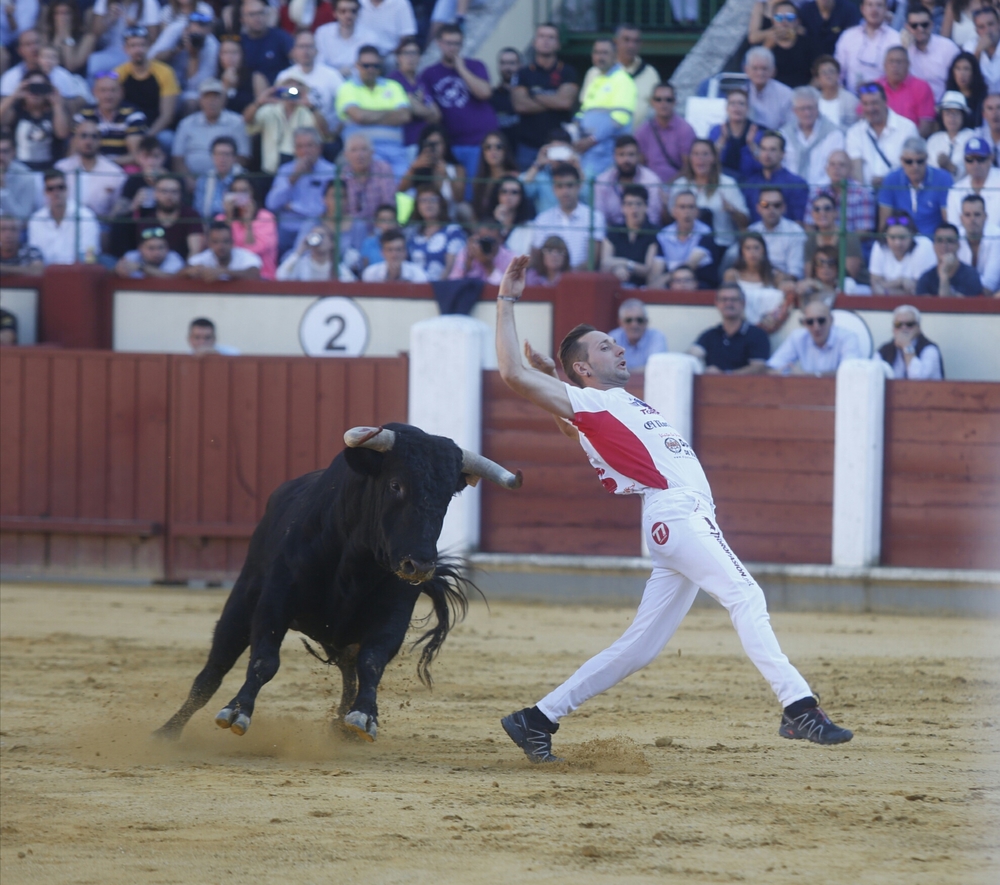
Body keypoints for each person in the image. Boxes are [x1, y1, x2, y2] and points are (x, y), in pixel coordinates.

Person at [494, 254, 853, 764]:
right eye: (605, 346)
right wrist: (508, 298)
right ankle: (798, 707)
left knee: (640, 647)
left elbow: (571, 424)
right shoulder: (597, 403)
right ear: (583, 369)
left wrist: (554, 377)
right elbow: (510, 371)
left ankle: (537, 718)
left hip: (673, 519)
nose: (619, 346)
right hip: (678, 515)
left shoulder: (609, 408)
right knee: (746, 596)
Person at [418, 25, 498, 190]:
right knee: (454, 192)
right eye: (448, 43)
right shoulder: (429, 74)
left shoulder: (475, 66)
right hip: (450, 145)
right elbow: (433, 113)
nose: (452, 48)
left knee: (477, 192)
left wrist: (461, 69)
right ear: (439, 43)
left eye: (457, 43)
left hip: (479, 142)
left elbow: (484, 93)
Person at [512, 24, 581, 172]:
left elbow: (565, 102)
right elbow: (520, 106)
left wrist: (534, 94)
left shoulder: (568, 72)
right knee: (527, 190)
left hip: (560, 146)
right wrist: (553, 99)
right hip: (528, 146)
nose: (546, 41)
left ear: (558, 44)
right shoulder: (523, 73)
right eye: (542, 36)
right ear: (534, 42)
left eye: (551, 37)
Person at [336, 45, 411, 180]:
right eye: (366, 65)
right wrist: (390, 114)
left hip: (396, 152)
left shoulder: (393, 86)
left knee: (406, 191)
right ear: (357, 66)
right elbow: (359, 116)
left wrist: (368, 116)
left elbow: (404, 116)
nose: (371, 69)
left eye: (375, 66)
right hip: (362, 154)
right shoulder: (347, 88)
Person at [572, 38, 637, 181]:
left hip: (606, 153)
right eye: (596, 52)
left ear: (615, 55)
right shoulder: (595, 78)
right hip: (588, 151)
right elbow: (583, 110)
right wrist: (575, 126)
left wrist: (592, 139)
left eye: (604, 53)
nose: (599, 57)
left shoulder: (623, 80)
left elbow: (620, 118)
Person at [264, 126, 337, 253]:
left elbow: (325, 208)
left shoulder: (331, 172)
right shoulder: (286, 170)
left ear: (319, 148)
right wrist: (293, 178)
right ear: (295, 150)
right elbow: (272, 204)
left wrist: (293, 207)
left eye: (309, 146)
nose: (305, 151)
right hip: (287, 228)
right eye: (300, 146)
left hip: (317, 227)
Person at [670, 139, 750, 248]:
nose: (700, 158)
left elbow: (745, 222)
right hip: (686, 246)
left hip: (720, 244)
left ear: (714, 158)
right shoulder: (680, 184)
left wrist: (732, 211)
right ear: (690, 158)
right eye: (696, 154)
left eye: (705, 154)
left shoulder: (728, 183)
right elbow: (670, 218)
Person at [246, 75, 328, 175]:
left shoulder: (308, 112)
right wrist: (259, 102)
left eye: (294, 89)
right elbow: (247, 120)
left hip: (300, 169)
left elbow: (324, 131)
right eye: (287, 88)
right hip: (271, 170)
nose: (290, 92)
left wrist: (310, 106)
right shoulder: (268, 111)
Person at [114, 26, 179, 152]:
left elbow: (167, 115)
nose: (138, 50)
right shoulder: (118, 74)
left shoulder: (165, 72)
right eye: (133, 46)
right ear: (125, 49)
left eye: (142, 45)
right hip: (128, 129)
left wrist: (147, 136)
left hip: (155, 128)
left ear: (149, 46)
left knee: (167, 139)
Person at [531, 163, 606, 270]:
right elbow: (537, 258)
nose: (565, 192)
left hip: (581, 281)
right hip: (550, 282)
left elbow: (592, 260)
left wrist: (568, 278)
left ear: (579, 186)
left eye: (570, 185)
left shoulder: (594, 217)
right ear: (553, 189)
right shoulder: (542, 219)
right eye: (560, 186)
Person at [173, 79, 250, 183]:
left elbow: (243, 157)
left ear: (224, 99)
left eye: (216, 97)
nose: (211, 101)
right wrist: (189, 180)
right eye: (207, 97)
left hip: (226, 180)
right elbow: (178, 158)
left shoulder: (237, 122)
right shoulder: (186, 124)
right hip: (192, 181)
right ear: (200, 100)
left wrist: (224, 179)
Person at [845, 82, 919, 187]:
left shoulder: (907, 128)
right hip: (867, 196)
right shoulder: (854, 132)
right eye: (865, 104)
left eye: (874, 103)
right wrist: (865, 193)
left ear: (885, 101)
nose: (870, 109)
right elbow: (856, 168)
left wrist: (888, 181)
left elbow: (913, 166)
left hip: (899, 192)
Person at [877, 135, 953, 237]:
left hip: (933, 244)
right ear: (901, 161)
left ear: (927, 159)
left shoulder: (943, 179)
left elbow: (948, 223)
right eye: (909, 161)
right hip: (901, 243)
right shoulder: (891, 180)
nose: (915, 166)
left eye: (920, 161)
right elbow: (885, 224)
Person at [687, 283, 771, 374]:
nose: (728, 303)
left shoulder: (757, 335)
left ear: (743, 303)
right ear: (717, 303)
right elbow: (691, 356)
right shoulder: (710, 335)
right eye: (724, 299)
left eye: (733, 299)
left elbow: (758, 368)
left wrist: (725, 375)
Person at [55, 118, 127, 222]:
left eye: (94, 137)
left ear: (100, 141)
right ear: (75, 140)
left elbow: (118, 210)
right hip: (67, 223)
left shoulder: (115, 173)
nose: (88, 142)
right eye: (83, 136)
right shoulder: (61, 168)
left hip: (102, 226)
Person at [768, 296, 863, 375]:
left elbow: (851, 372)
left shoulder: (848, 337)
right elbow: (773, 367)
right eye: (810, 322)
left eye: (821, 320)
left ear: (831, 320)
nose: (816, 327)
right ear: (805, 324)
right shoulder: (797, 337)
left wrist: (808, 376)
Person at [150, 9, 219, 112]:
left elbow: (198, 86)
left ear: (208, 32)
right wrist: (176, 49)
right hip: (166, 83)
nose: (196, 37)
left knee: (191, 102)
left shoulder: (212, 46)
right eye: (193, 33)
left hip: (188, 91)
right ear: (186, 29)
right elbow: (151, 59)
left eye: (200, 35)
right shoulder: (175, 29)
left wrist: (194, 56)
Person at [0, 71, 70, 172]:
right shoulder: (17, 111)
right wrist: (14, 95)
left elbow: (62, 134)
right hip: (20, 170)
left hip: (48, 170)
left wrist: (57, 104)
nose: (35, 92)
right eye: (31, 87)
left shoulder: (53, 112)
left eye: (40, 87)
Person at [76, 71, 148, 169]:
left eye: (113, 90)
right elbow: (74, 150)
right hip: (89, 166)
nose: (108, 95)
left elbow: (136, 156)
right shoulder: (84, 114)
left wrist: (105, 164)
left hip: (122, 167)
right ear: (94, 92)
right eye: (103, 90)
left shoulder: (133, 115)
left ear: (121, 92)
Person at [28, 168, 101, 264]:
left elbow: (90, 256)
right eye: (51, 189)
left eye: (60, 187)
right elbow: (34, 256)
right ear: (45, 192)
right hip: (46, 275)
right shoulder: (35, 220)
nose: (56, 193)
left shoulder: (86, 216)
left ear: (67, 188)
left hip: (77, 274)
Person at [275, 27, 344, 129]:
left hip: (323, 131)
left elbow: (343, 106)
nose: (305, 51)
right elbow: (279, 106)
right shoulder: (285, 76)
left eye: (309, 46)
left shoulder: (332, 75)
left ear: (316, 50)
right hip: (293, 131)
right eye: (301, 46)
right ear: (294, 51)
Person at [723, 232, 792, 331]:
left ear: (763, 250)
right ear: (742, 252)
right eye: (748, 248)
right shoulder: (732, 275)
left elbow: (786, 292)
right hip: (740, 327)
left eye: (756, 248)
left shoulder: (775, 275)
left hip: (771, 325)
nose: (752, 252)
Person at [592, 135, 664, 228]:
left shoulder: (651, 180)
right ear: (614, 156)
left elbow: (653, 218)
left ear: (638, 156)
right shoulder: (602, 182)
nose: (626, 160)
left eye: (631, 154)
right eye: (621, 155)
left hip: (644, 235)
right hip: (612, 235)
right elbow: (600, 219)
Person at [781, 86, 845, 187]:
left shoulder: (833, 134)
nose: (807, 113)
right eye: (802, 109)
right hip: (790, 190)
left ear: (817, 108)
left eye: (810, 108)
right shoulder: (784, 134)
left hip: (823, 191)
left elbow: (835, 168)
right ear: (795, 111)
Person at [388, 36, 441, 158]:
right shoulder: (393, 80)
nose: (411, 57)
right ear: (398, 57)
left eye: (415, 53)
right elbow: (413, 109)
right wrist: (423, 108)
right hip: (404, 144)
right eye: (406, 53)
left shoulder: (420, 81)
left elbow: (437, 115)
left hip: (424, 143)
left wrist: (417, 105)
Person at [217, 174, 278, 280]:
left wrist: (248, 223)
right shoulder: (221, 219)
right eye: (235, 191)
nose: (239, 196)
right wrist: (229, 217)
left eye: (244, 191)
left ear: (253, 193)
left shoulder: (266, 218)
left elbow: (252, 252)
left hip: (260, 277)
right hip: (227, 277)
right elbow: (221, 249)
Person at [655, 189, 719, 289]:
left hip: (700, 285)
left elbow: (690, 265)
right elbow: (656, 269)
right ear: (673, 211)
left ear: (697, 211)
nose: (687, 211)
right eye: (682, 207)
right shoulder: (663, 235)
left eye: (691, 207)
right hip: (671, 286)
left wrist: (665, 278)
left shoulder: (706, 232)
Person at [634, 82, 695, 186]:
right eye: (658, 99)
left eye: (668, 100)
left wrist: (667, 186)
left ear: (675, 102)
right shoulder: (643, 131)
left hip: (679, 187)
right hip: (649, 186)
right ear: (652, 102)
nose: (663, 104)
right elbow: (638, 165)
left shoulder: (685, 130)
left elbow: (689, 167)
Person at [742, 130, 809, 224]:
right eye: (763, 149)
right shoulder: (750, 183)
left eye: (772, 149)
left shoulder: (796, 184)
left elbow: (798, 222)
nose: (767, 154)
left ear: (783, 154)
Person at [600, 184, 660, 288]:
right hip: (615, 286)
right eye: (629, 204)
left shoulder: (654, 232)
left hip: (643, 288)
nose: (634, 209)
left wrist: (625, 264)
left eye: (638, 204)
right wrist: (617, 268)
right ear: (622, 208)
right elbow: (604, 263)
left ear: (646, 207)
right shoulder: (614, 230)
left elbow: (647, 269)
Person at [834, 0, 901, 92]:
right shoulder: (848, 36)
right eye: (870, 5)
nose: (874, 10)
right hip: (851, 99)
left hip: (886, 99)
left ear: (886, 9)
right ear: (862, 9)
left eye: (879, 5)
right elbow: (838, 72)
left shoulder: (896, 39)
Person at [398, 124, 467, 213]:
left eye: (437, 144)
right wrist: (413, 168)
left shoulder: (457, 169)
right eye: (429, 144)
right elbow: (401, 189)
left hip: (450, 217)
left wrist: (446, 175)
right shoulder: (417, 167)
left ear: (445, 145)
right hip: (423, 218)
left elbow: (459, 199)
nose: (433, 148)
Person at [135, 173, 204, 260]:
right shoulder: (147, 220)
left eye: (174, 191)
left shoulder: (191, 216)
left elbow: (195, 253)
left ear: (180, 194)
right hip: (153, 268)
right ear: (155, 194)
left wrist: (184, 272)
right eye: (164, 191)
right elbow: (143, 252)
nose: (169, 196)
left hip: (184, 268)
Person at [404, 185, 466, 281]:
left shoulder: (452, 231)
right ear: (417, 206)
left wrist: (434, 290)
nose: (428, 204)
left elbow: (451, 267)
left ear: (441, 204)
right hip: (414, 289)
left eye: (433, 200)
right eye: (423, 201)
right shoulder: (412, 233)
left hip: (441, 289)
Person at [806, 149, 877, 233]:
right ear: (826, 169)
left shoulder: (862, 194)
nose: (836, 168)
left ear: (851, 169)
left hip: (852, 244)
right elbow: (809, 224)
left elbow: (864, 230)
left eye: (842, 165)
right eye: (832, 164)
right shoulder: (816, 192)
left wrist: (836, 242)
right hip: (822, 243)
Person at [806, 191, 868, 283]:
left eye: (827, 208)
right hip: (821, 288)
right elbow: (809, 274)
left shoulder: (849, 238)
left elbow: (850, 275)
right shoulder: (810, 241)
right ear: (812, 214)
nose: (821, 212)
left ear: (836, 213)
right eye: (817, 209)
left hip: (855, 288)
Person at [336, 131, 397, 226]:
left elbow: (388, 203)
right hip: (352, 228)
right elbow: (340, 209)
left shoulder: (383, 169)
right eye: (354, 150)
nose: (359, 155)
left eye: (364, 149)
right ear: (346, 155)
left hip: (380, 227)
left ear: (372, 152)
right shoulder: (343, 174)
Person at [903, 5, 961, 102]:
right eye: (914, 25)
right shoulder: (904, 50)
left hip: (943, 106)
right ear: (907, 27)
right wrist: (904, 49)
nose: (920, 29)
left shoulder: (948, 48)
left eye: (924, 24)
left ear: (931, 24)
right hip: (913, 106)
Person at [869, 211, 936, 293]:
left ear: (912, 235)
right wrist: (899, 282)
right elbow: (874, 286)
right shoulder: (879, 245)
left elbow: (920, 291)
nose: (897, 243)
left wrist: (885, 290)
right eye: (892, 238)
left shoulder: (923, 245)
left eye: (902, 237)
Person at [748, 186, 807, 279]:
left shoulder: (795, 231)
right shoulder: (751, 231)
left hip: (784, 284)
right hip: (754, 279)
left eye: (777, 205)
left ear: (784, 208)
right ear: (758, 208)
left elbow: (795, 274)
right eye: (765, 204)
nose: (771, 209)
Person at [877, 45, 937, 136]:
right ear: (885, 65)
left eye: (899, 62)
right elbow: (863, 118)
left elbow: (925, 127)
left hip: (910, 144)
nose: (895, 66)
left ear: (908, 65)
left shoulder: (922, 87)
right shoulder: (875, 87)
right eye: (891, 62)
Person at [520, 129, 582, 215]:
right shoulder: (540, 177)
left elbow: (587, 194)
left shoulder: (584, 172)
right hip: (546, 225)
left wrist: (577, 166)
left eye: (563, 150)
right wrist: (538, 163)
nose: (559, 158)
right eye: (555, 151)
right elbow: (523, 190)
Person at [876, 304, 944, 377]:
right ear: (893, 328)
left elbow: (918, 378)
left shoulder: (930, 349)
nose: (903, 328)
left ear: (918, 328)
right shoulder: (883, 351)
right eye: (898, 324)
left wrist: (907, 346)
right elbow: (874, 376)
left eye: (909, 324)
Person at [916, 220, 985, 294]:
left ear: (958, 245)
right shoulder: (926, 278)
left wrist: (944, 276)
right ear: (934, 246)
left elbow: (951, 305)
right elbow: (924, 305)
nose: (944, 246)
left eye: (950, 241)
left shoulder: (970, 275)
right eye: (939, 241)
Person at [708, 90, 763, 181]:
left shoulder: (758, 132)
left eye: (741, 104)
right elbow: (708, 161)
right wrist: (722, 140)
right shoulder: (716, 131)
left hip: (751, 181)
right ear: (726, 108)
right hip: (722, 180)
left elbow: (765, 164)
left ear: (748, 108)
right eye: (732, 103)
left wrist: (752, 145)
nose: (737, 108)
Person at [184, 219, 262, 281]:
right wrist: (190, 272)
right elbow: (177, 276)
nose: (221, 246)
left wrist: (223, 272)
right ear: (208, 243)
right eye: (215, 242)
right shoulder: (203, 257)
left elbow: (254, 274)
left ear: (232, 242)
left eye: (225, 241)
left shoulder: (245, 256)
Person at [946, 135, 1000, 224]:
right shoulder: (956, 190)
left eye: (980, 159)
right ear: (964, 160)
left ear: (991, 158)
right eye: (970, 159)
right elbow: (954, 227)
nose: (975, 164)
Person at [467, 131, 518, 222]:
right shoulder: (479, 180)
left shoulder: (514, 177)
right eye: (488, 147)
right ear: (483, 152)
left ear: (505, 150)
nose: (493, 151)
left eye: (498, 147)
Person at [240, 0, 293, 85]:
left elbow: (297, 59)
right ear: (243, 19)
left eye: (261, 13)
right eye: (252, 14)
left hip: (279, 90)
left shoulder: (280, 37)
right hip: (247, 93)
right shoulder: (239, 42)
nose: (257, 18)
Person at [276, 222, 355, 280]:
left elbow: (351, 283)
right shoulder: (302, 264)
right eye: (314, 236)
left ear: (332, 243)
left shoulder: (338, 268)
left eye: (322, 236)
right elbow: (280, 276)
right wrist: (299, 252)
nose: (318, 240)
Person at [605, 297, 667, 370]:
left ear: (646, 322)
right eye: (628, 320)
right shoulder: (613, 337)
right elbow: (608, 369)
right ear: (621, 323)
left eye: (639, 320)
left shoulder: (656, 337)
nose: (634, 325)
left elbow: (656, 368)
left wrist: (623, 371)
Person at [315, 0, 372, 79]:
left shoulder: (369, 36)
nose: (348, 15)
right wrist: (336, 74)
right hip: (328, 78)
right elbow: (319, 63)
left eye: (353, 11)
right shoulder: (322, 33)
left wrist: (352, 72)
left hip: (358, 80)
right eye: (343, 11)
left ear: (359, 13)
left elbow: (369, 65)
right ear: (335, 13)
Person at [193, 135, 244, 219]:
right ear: (212, 156)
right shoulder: (204, 179)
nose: (222, 159)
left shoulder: (244, 178)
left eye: (226, 154)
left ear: (234, 157)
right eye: (218, 154)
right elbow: (199, 210)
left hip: (236, 225)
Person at [217, 33, 268, 116]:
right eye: (225, 53)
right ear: (220, 56)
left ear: (242, 55)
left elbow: (264, 109)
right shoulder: (213, 80)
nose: (230, 57)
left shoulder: (256, 77)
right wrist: (225, 85)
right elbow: (214, 112)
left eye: (234, 52)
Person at [928, 90, 976, 179]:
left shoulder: (972, 138)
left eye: (956, 113)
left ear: (963, 116)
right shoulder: (934, 140)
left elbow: (974, 172)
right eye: (947, 113)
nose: (951, 118)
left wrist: (950, 167)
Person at [957, 192, 1000, 291]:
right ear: (961, 218)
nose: (972, 219)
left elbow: (990, 285)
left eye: (977, 214)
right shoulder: (954, 237)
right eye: (967, 215)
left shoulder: (997, 237)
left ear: (985, 216)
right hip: (962, 295)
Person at [744, 46, 793, 131]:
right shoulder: (741, 93)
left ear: (773, 71)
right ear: (747, 70)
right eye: (755, 68)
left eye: (764, 68)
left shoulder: (786, 94)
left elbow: (791, 126)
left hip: (777, 139)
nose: (760, 73)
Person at [449, 220, 515, 283]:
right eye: (484, 240)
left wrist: (489, 266)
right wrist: (468, 263)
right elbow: (453, 283)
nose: (488, 245)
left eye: (490, 240)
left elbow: (506, 290)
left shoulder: (511, 259)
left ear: (500, 238)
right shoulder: (468, 252)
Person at [767, 2, 813, 88]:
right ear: (773, 21)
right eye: (779, 17)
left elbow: (819, 73)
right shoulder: (766, 45)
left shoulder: (809, 44)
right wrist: (767, 48)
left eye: (790, 18)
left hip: (803, 96)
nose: (784, 22)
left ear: (798, 21)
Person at [361, 227, 428, 281]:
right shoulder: (370, 273)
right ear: (382, 253)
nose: (394, 254)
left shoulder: (418, 274)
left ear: (405, 252)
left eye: (398, 250)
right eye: (390, 250)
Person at [115, 225, 185, 277]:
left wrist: (141, 267)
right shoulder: (131, 256)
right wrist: (119, 269)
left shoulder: (173, 257)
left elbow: (172, 277)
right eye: (151, 248)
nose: (157, 252)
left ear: (167, 248)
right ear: (140, 248)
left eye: (161, 248)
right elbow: (114, 273)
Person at [0, 132, 38, 224]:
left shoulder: (26, 176)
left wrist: (3, 190)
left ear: (13, 152)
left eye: (5, 151)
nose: (1, 156)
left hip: (13, 233)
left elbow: (23, 219)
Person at [812, 55, 859, 129]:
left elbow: (854, 128)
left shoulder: (850, 100)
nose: (828, 75)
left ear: (838, 75)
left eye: (831, 71)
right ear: (818, 78)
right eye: (824, 73)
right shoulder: (813, 100)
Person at [945, 50, 987, 128]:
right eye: (958, 68)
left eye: (966, 69)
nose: (962, 74)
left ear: (974, 72)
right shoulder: (948, 96)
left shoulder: (983, 98)